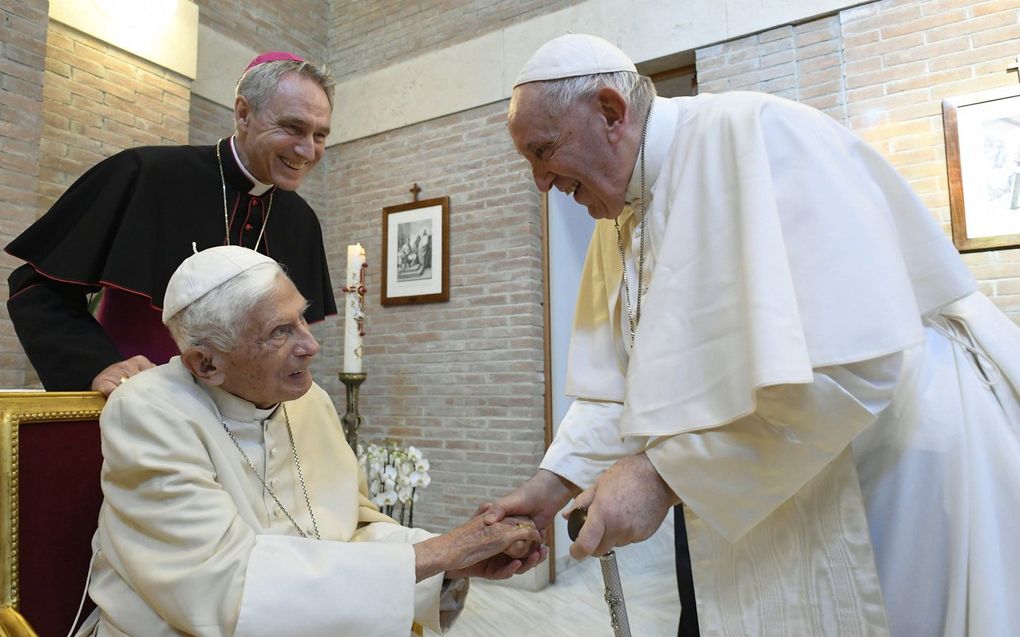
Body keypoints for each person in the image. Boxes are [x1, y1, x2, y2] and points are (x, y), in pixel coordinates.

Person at [484, 33, 1020, 636]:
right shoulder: (620, 213)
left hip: (892, 473)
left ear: (611, 112)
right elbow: (617, 385)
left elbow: (857, 366)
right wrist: (551, 484)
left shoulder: (759, 135)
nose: (540, 183)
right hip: (774, 490)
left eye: (544, 151)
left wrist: (665, 476)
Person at [74, 245, 545, 637]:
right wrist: (436, 556)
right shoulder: (149, 411)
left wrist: (451, 559)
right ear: (206, 364)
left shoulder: (309, 399)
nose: (310, 345)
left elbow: (352, 528)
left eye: (301, 319)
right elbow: (223, 590)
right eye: (281, 331)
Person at [5, 51, 336, 396]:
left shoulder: (303, 222)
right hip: (142, 410)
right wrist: (97, 364)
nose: (307, 151)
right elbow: (36, 287)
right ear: (243, 114)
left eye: (320, 136)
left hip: (247, 428)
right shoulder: (145, 175)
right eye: (293, 128)